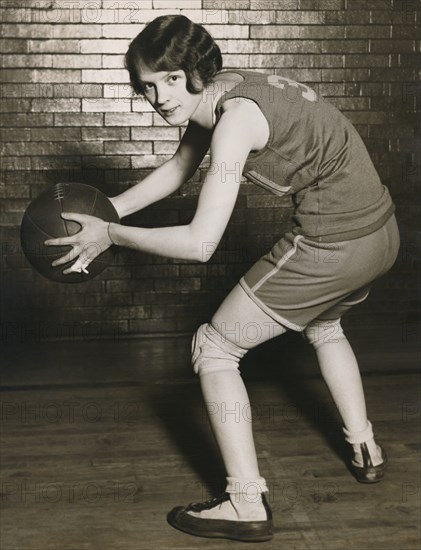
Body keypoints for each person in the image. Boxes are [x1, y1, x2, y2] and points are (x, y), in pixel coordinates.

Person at [45, 15, 400, 543]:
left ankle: (244, 501)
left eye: (169, 79)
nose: (160, 96)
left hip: (335, 247)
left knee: (213, 348)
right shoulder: (223, 89)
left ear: (195, 68)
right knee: (325, 327)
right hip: (381, 237)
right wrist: (102, 215)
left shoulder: (235, 121)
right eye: (147, 85)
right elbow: (176, 169)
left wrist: (112, 238)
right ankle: (365, 445)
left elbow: (199, 244)